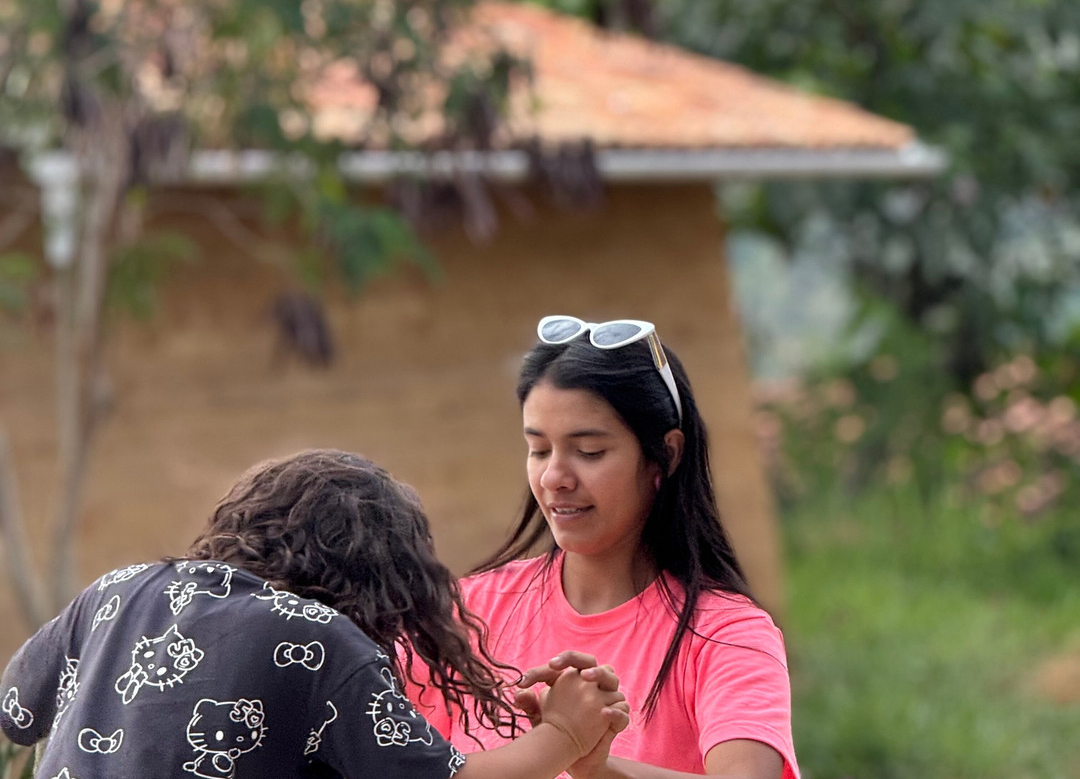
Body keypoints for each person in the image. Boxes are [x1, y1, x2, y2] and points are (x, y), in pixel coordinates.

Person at [0, 449, 628, 779]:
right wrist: (565, 735)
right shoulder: (317, 640)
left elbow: (16, 712)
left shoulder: (120, 588)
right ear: (384, 584)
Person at [414, 316, 799, 779]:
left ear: (667, 455)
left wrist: (596, 766)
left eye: (589, 451)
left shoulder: (726, 636)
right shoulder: (465, 615)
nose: (555, 477)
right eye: (538, 450)